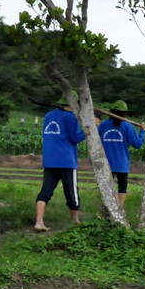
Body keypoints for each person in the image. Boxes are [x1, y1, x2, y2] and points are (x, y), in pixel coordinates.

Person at [35, 97, 97, 231]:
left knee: (46, 191)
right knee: (71, 191)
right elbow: (75, 138)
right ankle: (75, 220)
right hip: (66, 160)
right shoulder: (71, 117)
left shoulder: (48, 115)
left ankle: (39, 221)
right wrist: (89, 130)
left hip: (50, 159)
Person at [98, 100, 145, 205]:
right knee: (122, 187)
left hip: (105, 163)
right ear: (124, 114)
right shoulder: (128, 126)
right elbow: (138, 144)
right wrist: (143, 131)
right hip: (121, 163)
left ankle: (108, 208)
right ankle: (119, 209)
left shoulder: (103, 125)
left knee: (106, 187)